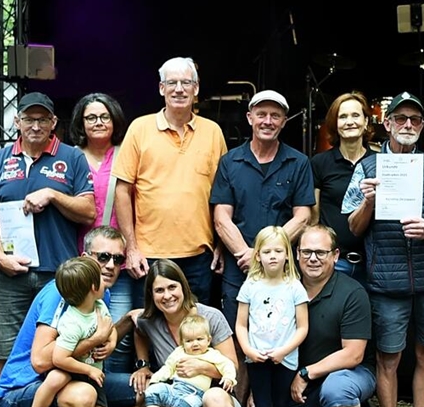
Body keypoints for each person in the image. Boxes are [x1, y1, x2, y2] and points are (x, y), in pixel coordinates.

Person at [342, 91, 424, 407]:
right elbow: (353, 226)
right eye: (401, 119)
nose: (408, 125)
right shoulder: (367, 168)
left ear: (422, 127)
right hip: (386, 279)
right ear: (387, 123)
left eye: (415, 120)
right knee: (388, 357)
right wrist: (369, 202)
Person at [0, 227, 137, 407]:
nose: (110, 265)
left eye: (118, 259)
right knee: (84, 397)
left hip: (73, 376)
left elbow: (97, 334)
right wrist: (96, 339)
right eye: (103, 257)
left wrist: (116, 333)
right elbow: (40, 360)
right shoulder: (62, 292)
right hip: (24, 388)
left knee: (141, 392)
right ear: (84, 258)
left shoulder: (100, 294)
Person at [0, 92, 95, 373]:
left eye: (42, 119)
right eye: (29, 119)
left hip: (58, 274)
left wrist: (53, 195)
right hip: (11, 272)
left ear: (53, 122)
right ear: (17, 121)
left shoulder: (72, 157)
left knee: (60, 349)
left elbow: (89, 211)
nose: (35, 126)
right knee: (7, 351)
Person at [114, 57, 227, 313]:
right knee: (150, 331)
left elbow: (223, 194)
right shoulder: (139, 128)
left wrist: (220, 245)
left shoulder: (213, 132)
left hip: (200, 255)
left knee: (196, 331)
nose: (179, 89)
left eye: (186, 82)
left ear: (196, 89)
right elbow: (122, 190)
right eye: (172, 82)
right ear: (161, 88)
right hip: (149, 254)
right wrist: (131, 248)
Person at [212, 89, 314, 335]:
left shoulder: (298, 163)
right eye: (261, 114)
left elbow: (303, 217)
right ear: (249, 118)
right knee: (236, 338)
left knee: (281, 334)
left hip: (282, 270)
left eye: (275, 115)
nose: (268, 121)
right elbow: (221, 218)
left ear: (284, 121)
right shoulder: (230, 162)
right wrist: (245, 255)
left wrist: (261, 253)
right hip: (239, 267)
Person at [129, 260, 247, 407]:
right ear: (151, 294)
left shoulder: (210, 317)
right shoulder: (151, 321)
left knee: (214, 397)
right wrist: (143, 364)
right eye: (159, 290)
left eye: (172, 287)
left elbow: (233, 367)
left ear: (183, 287)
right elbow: (139, 330)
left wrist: (202, 367)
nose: (167, 296)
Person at [285, 225, 377, 407]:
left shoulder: (352, 293)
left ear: (335, 255)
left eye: (321, 252)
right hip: (302, 381)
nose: (313, 259)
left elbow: (353, 354)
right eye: (306, 252)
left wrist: (306, 373)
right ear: (296, 254)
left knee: (336, 391)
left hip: (347, 373)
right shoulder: (285, 291)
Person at [15, 256, 114, 407]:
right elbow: (59, 358)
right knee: (55, 378)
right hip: (72, 367)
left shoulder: (99, 306)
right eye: (101, 278)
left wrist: (110, 342)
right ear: (94, 287)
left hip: (90, 372)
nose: (106, 280)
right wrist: (88, 369)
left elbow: (109, 326)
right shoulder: (72, 322)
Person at [235, 226, 309, 407]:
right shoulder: (250, 285)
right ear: (257, 255)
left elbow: (303, 327)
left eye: (278, 251)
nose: (273, 256)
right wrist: (247, 350)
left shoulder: (295, 287)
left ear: (287, 254)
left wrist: (284, 351)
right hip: (257, 357)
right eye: (267, 252)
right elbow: (241, 324)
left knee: (283, 406)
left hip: (284, 359)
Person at [309, 92, 376, 283]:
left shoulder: (380, 163)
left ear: (366, 122)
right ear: (334, 124)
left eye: (356, 115)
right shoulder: (319, 163)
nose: (350, 122)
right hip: (335, 263)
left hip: (374, 264)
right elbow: (314, 218)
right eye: (343, 116)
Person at [143, 314, 237, 407]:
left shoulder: (212, 354)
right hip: (174, 389)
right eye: (189, 341)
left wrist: (228, 377)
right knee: (153, 390)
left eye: (199, 339)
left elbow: (227, 365)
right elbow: (168, 368)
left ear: (208, 340)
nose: (195, 344)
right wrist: (154, 380)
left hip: (195, 393)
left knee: (192, 403)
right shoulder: (179, 352)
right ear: (182, 342)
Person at [68, 92, 127, 247]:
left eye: (105, 117)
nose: (99, 123)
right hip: (80, 251)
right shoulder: (69, 158)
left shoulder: (127, 154)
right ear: (81, 123)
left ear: (115, 120)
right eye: (91, 118)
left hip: (120, 251)